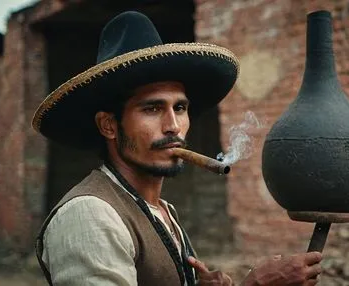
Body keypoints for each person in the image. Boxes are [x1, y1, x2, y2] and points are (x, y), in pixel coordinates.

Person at [32, 11, 323, 286]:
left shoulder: (160, 210)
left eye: (180, 107)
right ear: (109, 125)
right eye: (152, 108)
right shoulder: (90, 214)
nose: (173, 125)